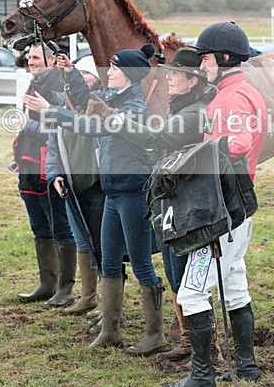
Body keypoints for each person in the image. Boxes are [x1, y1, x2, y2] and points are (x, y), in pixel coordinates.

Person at [23, 43, 166, 356]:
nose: (108, 72)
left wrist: (53, 113)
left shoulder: (134, 108)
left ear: (127, 75)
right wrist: (71, 73)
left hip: (132, 192)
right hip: (113, 191)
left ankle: (155, 334)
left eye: (114, 69)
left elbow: (92, 125)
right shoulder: (117, 97)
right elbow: (88, 101)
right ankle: (110, 329)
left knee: (141, 265)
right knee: (110, 262)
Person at [93, 48, 215, 363]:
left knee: (179, 275)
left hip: (181, 201)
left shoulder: (192, 113)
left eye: (174, 74)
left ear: (192, 81)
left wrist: (114, 119)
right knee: (175, 275)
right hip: (168, 198)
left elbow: (156, 138)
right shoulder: (180, 107)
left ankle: (190, 345)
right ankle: (184, 342)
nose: (168, 79)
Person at [169, 22, 265, 386]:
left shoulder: (232, 96)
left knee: (193, 293)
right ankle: (246, 366)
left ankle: (201, 375)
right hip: (234, 206)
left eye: (206, 58)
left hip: (220, 209)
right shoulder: (240, 91)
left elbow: (238, 143)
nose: (202, 66)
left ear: (223, 58)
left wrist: (195, 155)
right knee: (236, 283)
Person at [13, 42, 77, 307]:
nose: (31, 61)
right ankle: (47, 284)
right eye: (30, 57)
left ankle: (65, 289)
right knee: (39, 227)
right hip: (29, 167)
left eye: (36, 57)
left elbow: (58, 131)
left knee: (60, 226)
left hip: (47, 169)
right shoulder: (34, 85)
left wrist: (28, 126)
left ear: (52, 61)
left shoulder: (57, 90)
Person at [44, 53, 105, 315]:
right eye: (81, 74)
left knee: (103, 243)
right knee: (82, 240)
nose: (84, 78)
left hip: (96, 183)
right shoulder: (64, 103)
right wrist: (54, 174)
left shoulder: (98, 104)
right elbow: (54, 144)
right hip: (71, 183)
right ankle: (88, 294)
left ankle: (108, 300)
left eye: (87, 74)